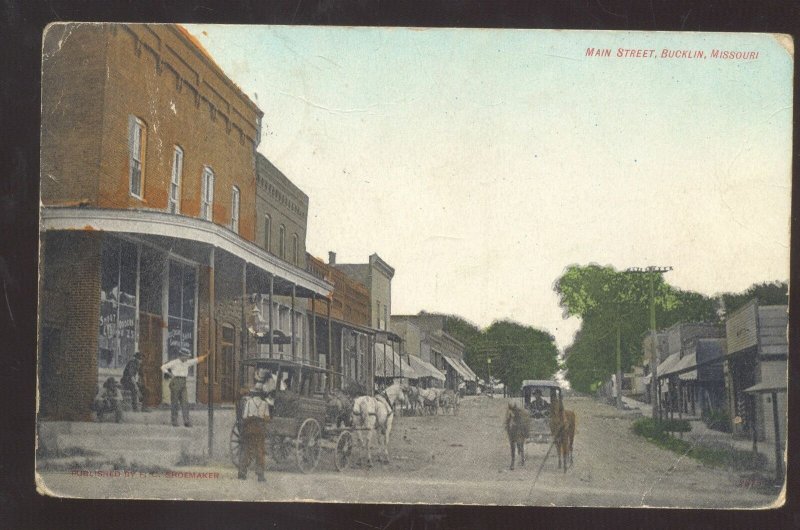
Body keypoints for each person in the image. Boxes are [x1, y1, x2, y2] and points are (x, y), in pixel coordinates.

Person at [160, 349, 209, 427]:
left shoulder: (187, 362)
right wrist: (169, 374)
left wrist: (206, 356)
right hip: (175, 382)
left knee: (185, 402)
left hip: (183, 383)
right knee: (175, 403)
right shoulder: (174, 362)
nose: (187, 358)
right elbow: (163, 367)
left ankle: (186, 421)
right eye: (186, 356)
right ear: (181, 356)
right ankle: (174, 421)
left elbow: (196, 360)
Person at [238, 378, 273, 482]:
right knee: (260, 452)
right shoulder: (265, 404)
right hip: (259, 431)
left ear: (253, 393)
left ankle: (242, 473)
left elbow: (244, 417)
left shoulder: (248, 403)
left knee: (246, 451)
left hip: (249, 429)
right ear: (262, 394)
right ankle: (260, 475)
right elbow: (267, 418)